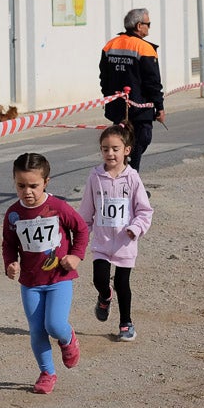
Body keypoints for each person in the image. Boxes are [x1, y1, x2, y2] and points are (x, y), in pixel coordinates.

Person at [2, 153, 89, 394]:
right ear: (14, 182)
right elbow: (8, 243)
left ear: (46, 182)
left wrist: (76, 256)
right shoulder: (13, 214)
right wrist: (10, 263)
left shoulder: (57, 207)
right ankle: (47, 373)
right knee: (37, 330)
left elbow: (81, 229)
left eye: (33, 186)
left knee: (54, 324)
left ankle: (68, 338)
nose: (27, 191)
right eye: (21, 186)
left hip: (58, 278)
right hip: (30, 282)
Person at [78, 123, 153, 342]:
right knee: (99, 279)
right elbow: (86, 210)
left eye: (115, 149)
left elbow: (144, 210)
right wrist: (80, 234)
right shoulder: (95, 177)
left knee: (122, 283)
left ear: (126, 150)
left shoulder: (132, 178)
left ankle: (126, 323)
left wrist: (135, 228)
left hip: (124, 242)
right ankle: (104, 296)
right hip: (102, 241)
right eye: (105, 149)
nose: (109, 153)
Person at [99, 8, 166, 172]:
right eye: (148, 24)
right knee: (141, 140)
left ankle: (124, 178)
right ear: (138, 25)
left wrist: (109, 98)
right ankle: (129, 180)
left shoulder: (110, 46)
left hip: (117, 107)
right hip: (140, 109)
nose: (149, 27)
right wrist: (160, 107)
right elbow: (153, 83)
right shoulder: (144, 49)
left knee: (122, 142)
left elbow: (104, 78)